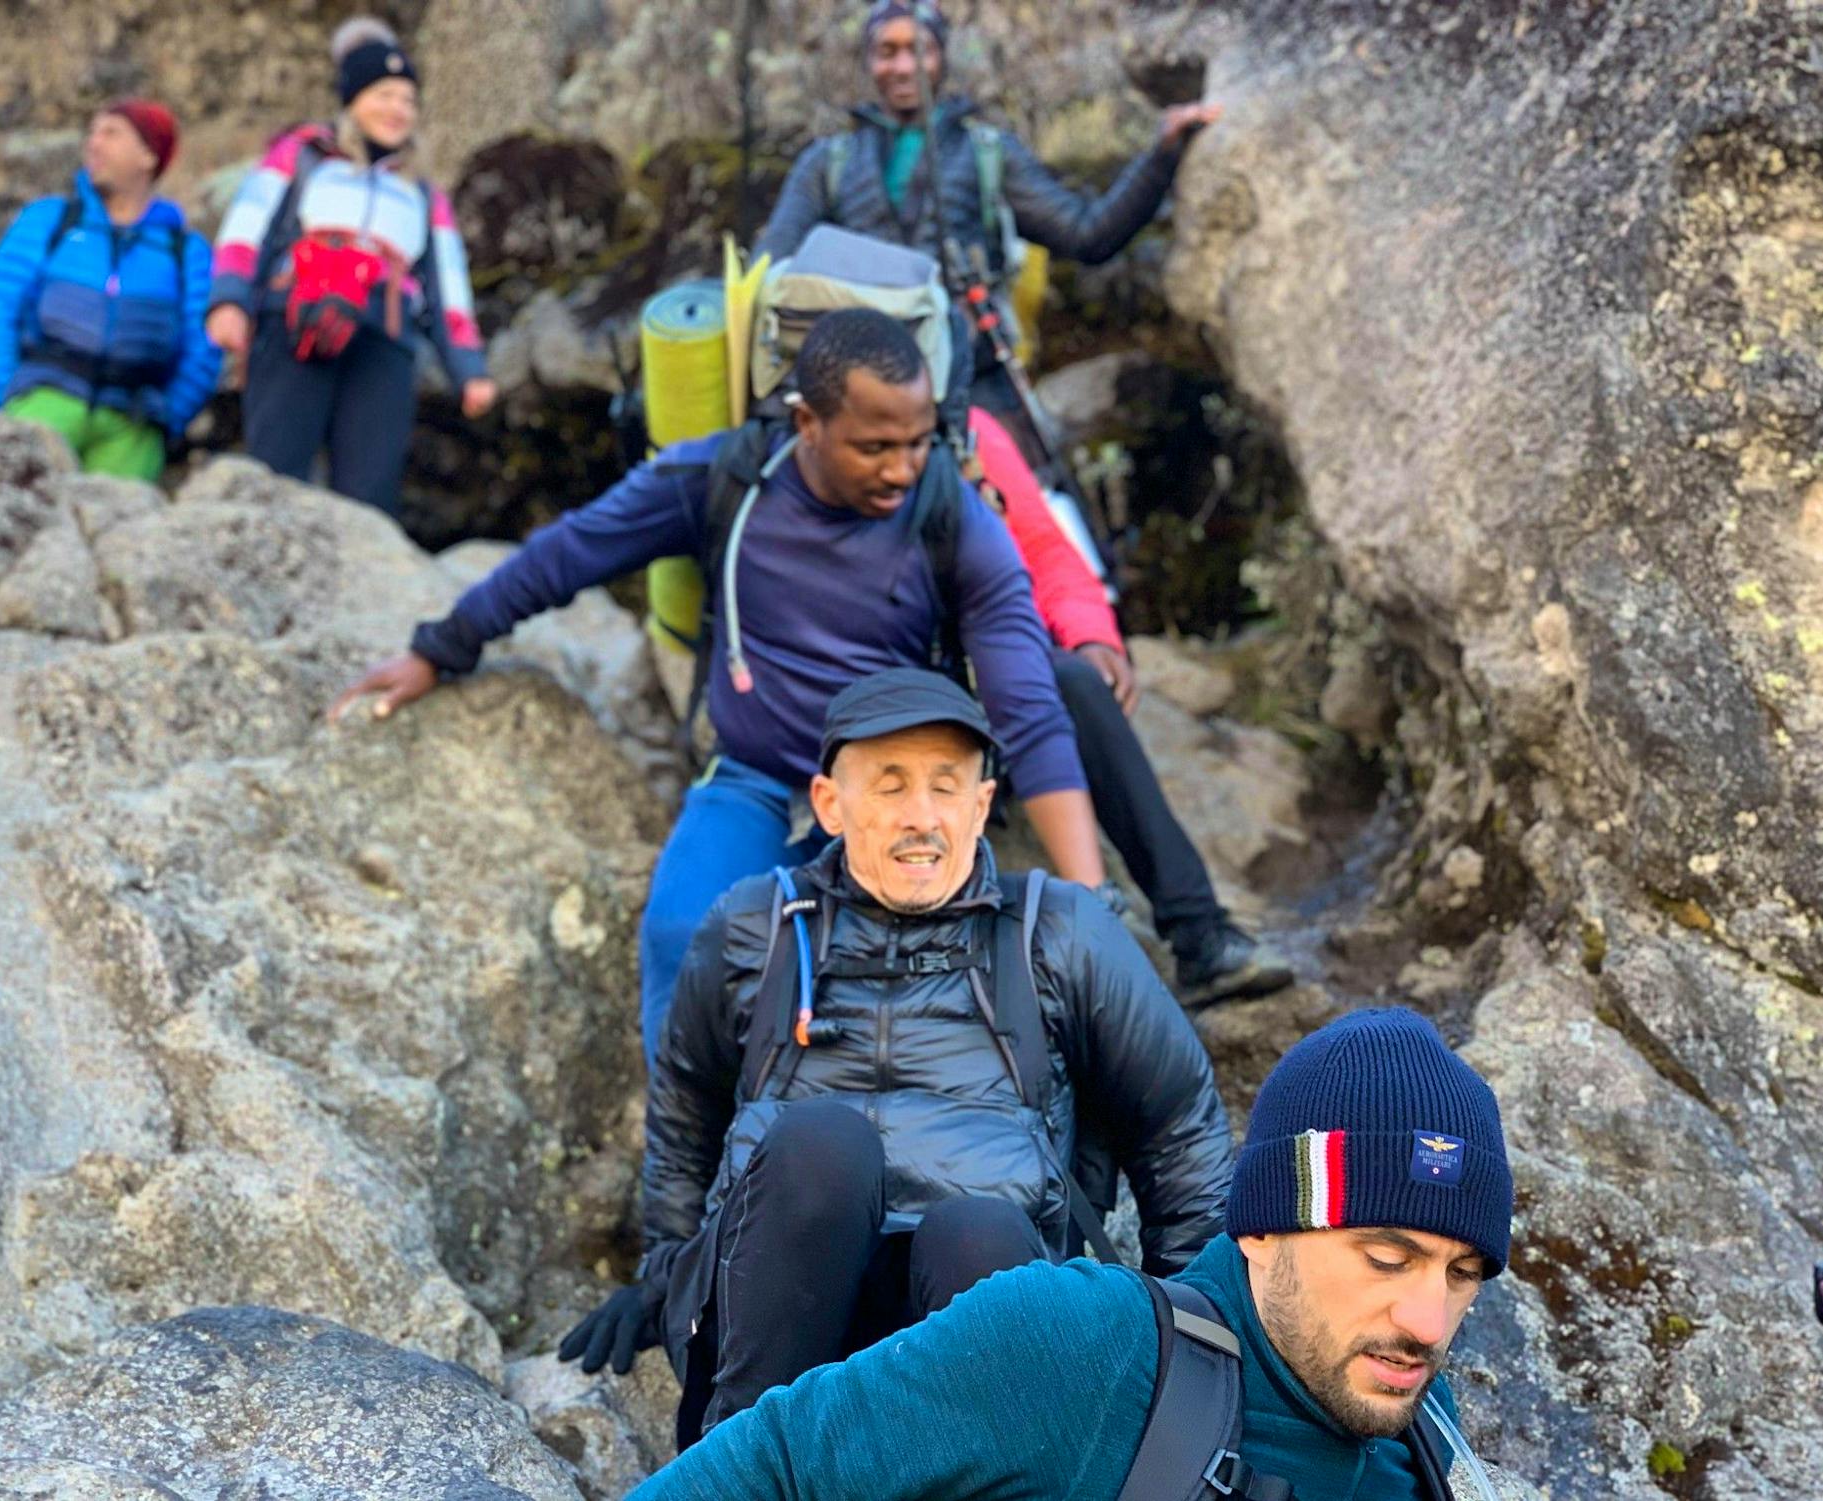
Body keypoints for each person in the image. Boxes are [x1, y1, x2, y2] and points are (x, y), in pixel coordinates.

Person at [331, 309, 1110, 1063]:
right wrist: (440, 650)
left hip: (893, 791)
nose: (902, 469)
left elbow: (1028, 715)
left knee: (876, 1006)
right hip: (756, 779)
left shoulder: (953, 516)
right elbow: (568, 554)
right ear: (805, 423)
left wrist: (1088, 907)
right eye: (874, 446)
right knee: (682, 937)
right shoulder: (726, 478)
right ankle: (692, 1182)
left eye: (916, 442)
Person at [559, 667, 1234, 1445]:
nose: (922, 817)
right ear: (828, 804)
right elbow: (686, 1108)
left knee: (977, 1230)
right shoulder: (755, 929)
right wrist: (664, 1274)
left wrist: (1190, 1336)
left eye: (946, 787)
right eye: (889, 785)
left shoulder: (1058, 931)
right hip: (777, 1315)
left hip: (975, 1308)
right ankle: (745, 1466)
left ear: (981, 805)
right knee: (822, 1146)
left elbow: (1176, 1126)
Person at [628, 1006, 1520, 1500]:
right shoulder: (1089, 1348)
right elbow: (773, 1466)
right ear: (1259, 1227)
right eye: (1384, 1254)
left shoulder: (1428, 1436)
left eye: (1461, 1271)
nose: (1427, 1320)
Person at [755, 1, 1220, 440]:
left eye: (919, 50)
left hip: (977, 385)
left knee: (1027, 512)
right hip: (856, 387)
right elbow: (770, 268)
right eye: (886, 52)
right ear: (868, 62)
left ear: (941, 59)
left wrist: (1162, 154)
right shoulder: (828, 164)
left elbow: (1087, 236)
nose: (903, 67)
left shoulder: (988, 154)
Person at [972, 409, 1293, 1004]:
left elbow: (1044, 549)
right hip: (923, 692)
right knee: (1061, 681)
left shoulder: (971, 434)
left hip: (1007, 677)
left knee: (1077, 680)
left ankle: (1199, 935)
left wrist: (1091, 635)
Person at [205, 17, 496, 517]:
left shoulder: (423, 194)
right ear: (353, 98)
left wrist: (469, 369)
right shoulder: (302, 154)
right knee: (276, 474)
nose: (398, 110)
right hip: (295, 317)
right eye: (384, 94)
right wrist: (228, 301)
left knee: (371, 493)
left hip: (385, 338)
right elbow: (246, 226)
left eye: (408, 100)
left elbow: (449, 290)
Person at [0, 100, 221, 481]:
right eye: (92, 132)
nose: (94, 144)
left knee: (123, 537)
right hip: (43, 402)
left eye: (111, 133)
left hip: (133, 424)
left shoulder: (185, 251)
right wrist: (7, 398)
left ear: (148, 156)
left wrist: (169, 416)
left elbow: (204, 343)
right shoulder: (50, 220)